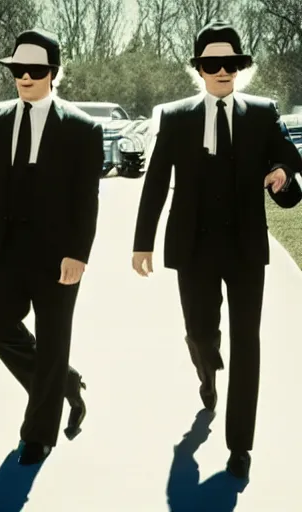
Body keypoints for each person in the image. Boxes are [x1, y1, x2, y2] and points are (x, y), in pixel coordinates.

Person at [131, 20, 302, 479]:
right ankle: (207, 372)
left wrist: (283, 173)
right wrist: (141, 242)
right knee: (201, 334)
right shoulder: (178, 117)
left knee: (248, 344)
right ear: (200, 69)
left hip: (246, 250)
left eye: (231, 63)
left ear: (241, 67)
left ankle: (239, 445)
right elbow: (155, 184)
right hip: (194, 249)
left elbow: (291, 160)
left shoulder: (263, 113)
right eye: (213, 64)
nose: (223, 71)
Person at [0, 28, 103, 465]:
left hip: (58, 256)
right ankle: (62, 382)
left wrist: (78, 253)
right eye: (17, 70)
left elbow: (87, 198)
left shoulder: (83, 128)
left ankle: (38, 433)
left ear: (53, 73)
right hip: (6, 248)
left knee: (53, 337)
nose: (24, 77)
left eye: (35, 70)